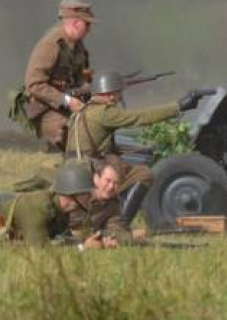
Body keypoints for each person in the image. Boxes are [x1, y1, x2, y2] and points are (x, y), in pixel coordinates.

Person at [65, 69, 210, 220]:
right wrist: (178, 106)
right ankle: (120, 221)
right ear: (110, 94)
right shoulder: (104, 113)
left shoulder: (82, 111)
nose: (120, 97)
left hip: (73, 168)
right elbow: (139, 117)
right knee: (143, 174)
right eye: (118, 93)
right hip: (89, 170)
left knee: (123, 167)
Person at [23, 0, 95, 150]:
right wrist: (67, 101)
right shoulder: (51, 45)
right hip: (46, 109)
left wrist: (91, 88)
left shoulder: (78, 47)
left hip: (69, 104)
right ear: (76, 23)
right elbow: (34, 85)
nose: (90, 29)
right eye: (87, 24)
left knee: (97, 125)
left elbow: (80, 77)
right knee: (71, 133)